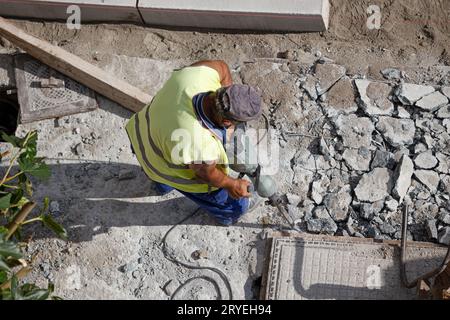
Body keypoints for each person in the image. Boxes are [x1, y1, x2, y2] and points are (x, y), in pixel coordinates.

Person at [126, 60, 262, 225]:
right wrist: (231, 183)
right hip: (164, 159)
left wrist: (230, 104)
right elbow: (206, 175)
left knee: (159, 171)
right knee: (218, 194)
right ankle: (228, 214)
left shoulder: (199, 75)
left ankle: (161, 186)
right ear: (227, 122)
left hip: (142, 133)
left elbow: (223, 68)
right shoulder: (200, 145)